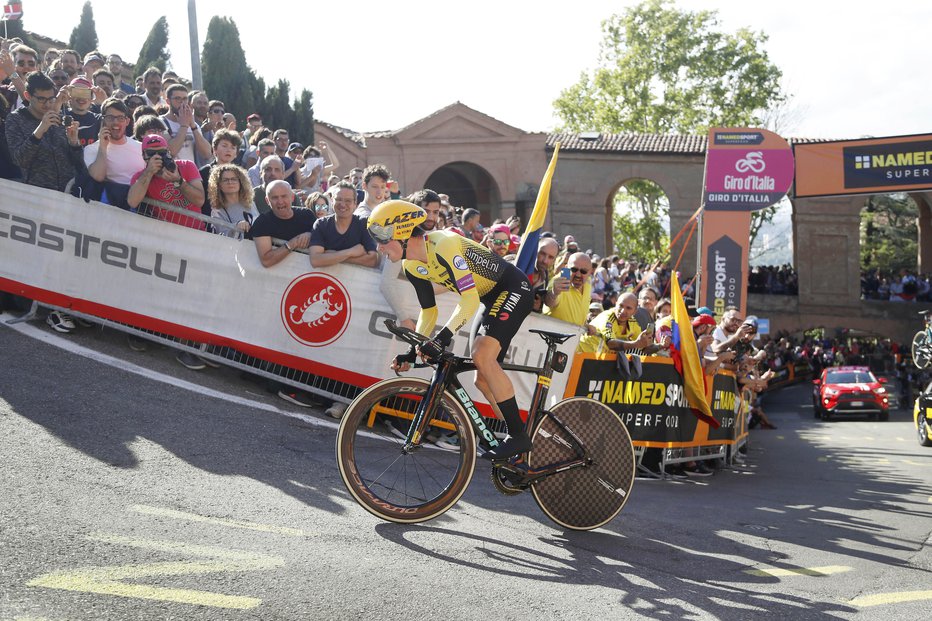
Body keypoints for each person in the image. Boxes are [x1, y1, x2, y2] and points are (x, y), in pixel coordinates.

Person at [367, 200, 535, 461]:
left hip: (513, 288)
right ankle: (522, 447)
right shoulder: (411, 265)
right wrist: (413, 352)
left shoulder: (444, 244)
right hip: (488, 297)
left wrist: (441, 338)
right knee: (482, 380)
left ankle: (518, 437)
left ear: (400, 233)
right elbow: (429, 311)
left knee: (483, 356)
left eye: (380, 238)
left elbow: (467, 301)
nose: (378, 246)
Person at [128, 134, 205, 229]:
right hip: (166, 235)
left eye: (162, 152)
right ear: (144, 155)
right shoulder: (140, 177)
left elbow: (200, 201)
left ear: (168, 152)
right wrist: (149, 172)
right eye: (151, 154)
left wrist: (179, 181)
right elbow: (132, 202)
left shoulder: (187, 166)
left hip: (196, 231)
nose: (158, 157)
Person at [81, 97, 143, 209]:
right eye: (110, 118)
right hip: (107, 209)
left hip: (138, 210)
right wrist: (103, 147)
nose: (115, 122)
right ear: (103, 120)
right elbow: (98, 176)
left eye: (120, 118)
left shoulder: (141, 147)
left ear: (127, 121)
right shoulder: (92, 149)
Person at [309, 181, 380, 268]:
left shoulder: (364, 223)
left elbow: (372, 260)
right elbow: (315, 260)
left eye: (348, 201)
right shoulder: (321, 224)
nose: (342, 204)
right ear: (331, 201)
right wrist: (350, 252)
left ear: (355, 204)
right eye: (338, 199)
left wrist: (332, 256)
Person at [543, 252, 594, 327]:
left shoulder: (588, 282)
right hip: (554, 336)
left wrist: (586, 325)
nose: (578, 275)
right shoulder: (559, 282)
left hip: (575, 336)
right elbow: (550, 302)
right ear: (566, 267)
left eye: (583, 271)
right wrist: (554, 293)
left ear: (590, 272)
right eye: (574, 269)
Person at [208, 163, 257, 237]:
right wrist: (236, 226)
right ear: (219, 185)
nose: (230, 182)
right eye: (225, 180)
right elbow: (222, 235)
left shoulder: (250, 203)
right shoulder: (217, 211)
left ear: (241, 182)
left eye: (234, 179)